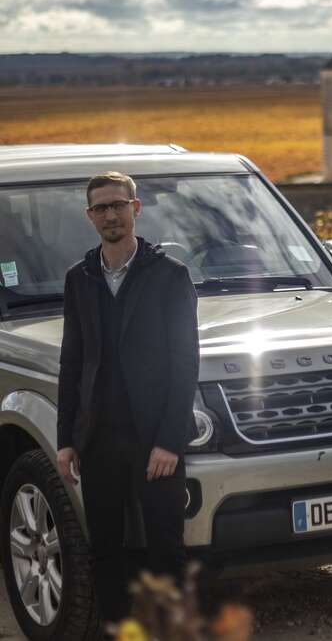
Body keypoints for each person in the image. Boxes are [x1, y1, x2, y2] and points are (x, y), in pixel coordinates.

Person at [56, 171, 200, 625]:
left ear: (135, 209)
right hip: (98, 442)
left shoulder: (170, 276)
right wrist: (66, 438)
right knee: (105, 552)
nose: (110, 214)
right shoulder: (79, 278)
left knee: (166, 552)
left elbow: (186, 365)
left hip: (155, 441)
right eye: (100, 207)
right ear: (89, 216)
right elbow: (72, 363)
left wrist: (170, 442)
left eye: (118, 205)